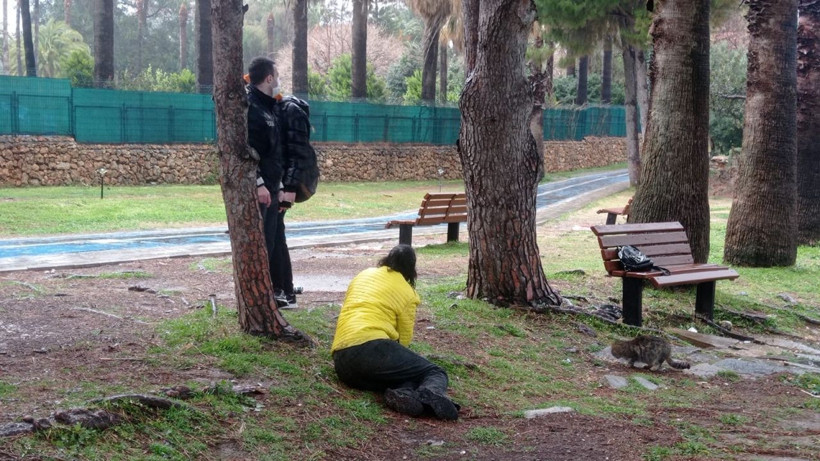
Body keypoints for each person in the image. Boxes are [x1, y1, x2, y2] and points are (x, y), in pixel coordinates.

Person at [330, 245, 460, 421]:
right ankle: (431, 393)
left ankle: (403, 393)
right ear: (411, 268)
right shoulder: (408, 292)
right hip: (372, 346)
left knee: (404, 374)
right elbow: (404, 338)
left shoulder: (363, 275)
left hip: (343, 363)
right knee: (434, 372)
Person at [246, 57, 298, 308]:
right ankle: (263, 296)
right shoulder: (250, 106)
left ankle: (280, 292)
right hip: (261, 190)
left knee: (275, 241)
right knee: (263, 244)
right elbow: (246, 151)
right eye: (276, 76)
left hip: (273, 188)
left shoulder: (271, 108)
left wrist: (280, 187)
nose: (278, 82)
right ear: (268, 78)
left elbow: (275, 153)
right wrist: (259, 184)